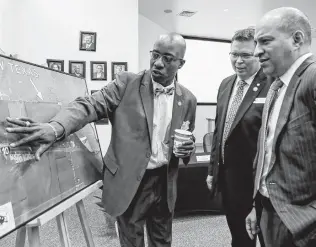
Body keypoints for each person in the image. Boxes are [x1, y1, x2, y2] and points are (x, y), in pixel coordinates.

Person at [6, 32, 197, 247]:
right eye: (155, 55)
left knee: (162, 241)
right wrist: (56, 127)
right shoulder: (127, 83)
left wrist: (187, 148)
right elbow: (89, 105)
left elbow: (185, 140)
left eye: (168, 59)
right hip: (131, 182)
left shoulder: (188, 99)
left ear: (181, 63)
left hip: (164, 183)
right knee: (131, 241)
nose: (158, 63)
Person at [245, 7, 316, 247]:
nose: (256, 52)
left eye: (265, 41)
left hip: (302, 225)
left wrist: (308, 217)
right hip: (270, 211)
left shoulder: (313, 78)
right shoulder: (277, 85)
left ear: (297, 39)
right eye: (256, 43)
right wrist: (259, 206)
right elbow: (268, 155)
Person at [206, 28, 270, 247]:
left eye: (246, 55)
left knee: (265, 238)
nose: (238, 61)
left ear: (259, 54)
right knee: (240, 238)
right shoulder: (226, 84)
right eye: (234, 54)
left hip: (256, 184)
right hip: (228, 180)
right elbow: (219, 131)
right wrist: (212, 170)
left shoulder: (271, 85)